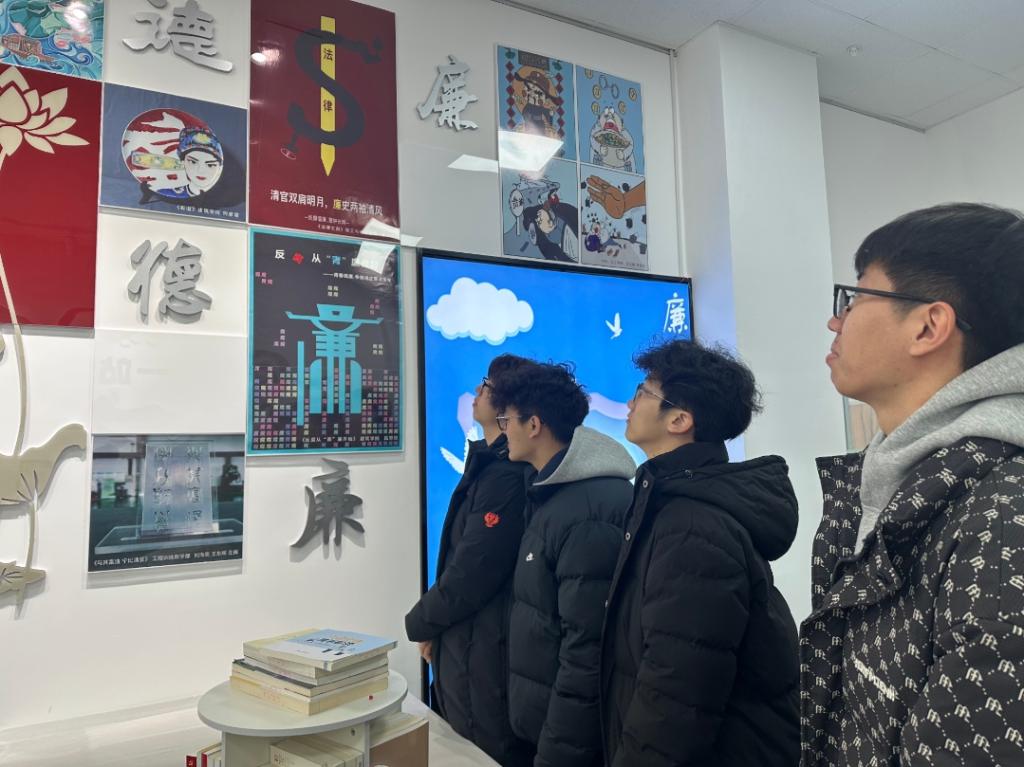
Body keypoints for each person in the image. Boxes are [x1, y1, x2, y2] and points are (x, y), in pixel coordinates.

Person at [802, 202, 1024, 765]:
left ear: (928, 326)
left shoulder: (1005, 516)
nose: (835, 321)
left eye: (854, 298)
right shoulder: (895, 480)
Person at [600, 339, 800, 766]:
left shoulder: (692, 525)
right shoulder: (670, 504)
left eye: (642, 393)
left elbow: (675, 697)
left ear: (679, 419)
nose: (630, 403)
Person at [490, 362, 635, 767]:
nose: (503, 431)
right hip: (547, 727)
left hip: (573, 743)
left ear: (534, 425)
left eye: (507, 420)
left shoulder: (587, 511)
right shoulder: (556, 496)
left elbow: (586, 649)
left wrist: (558, 752)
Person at [405, 354, 536, 767]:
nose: (477, 392)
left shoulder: (506, 476)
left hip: (485, 653)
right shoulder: (489, 466)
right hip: (469, 645)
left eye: (487, 386)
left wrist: (422, 622)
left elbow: (473, 570)